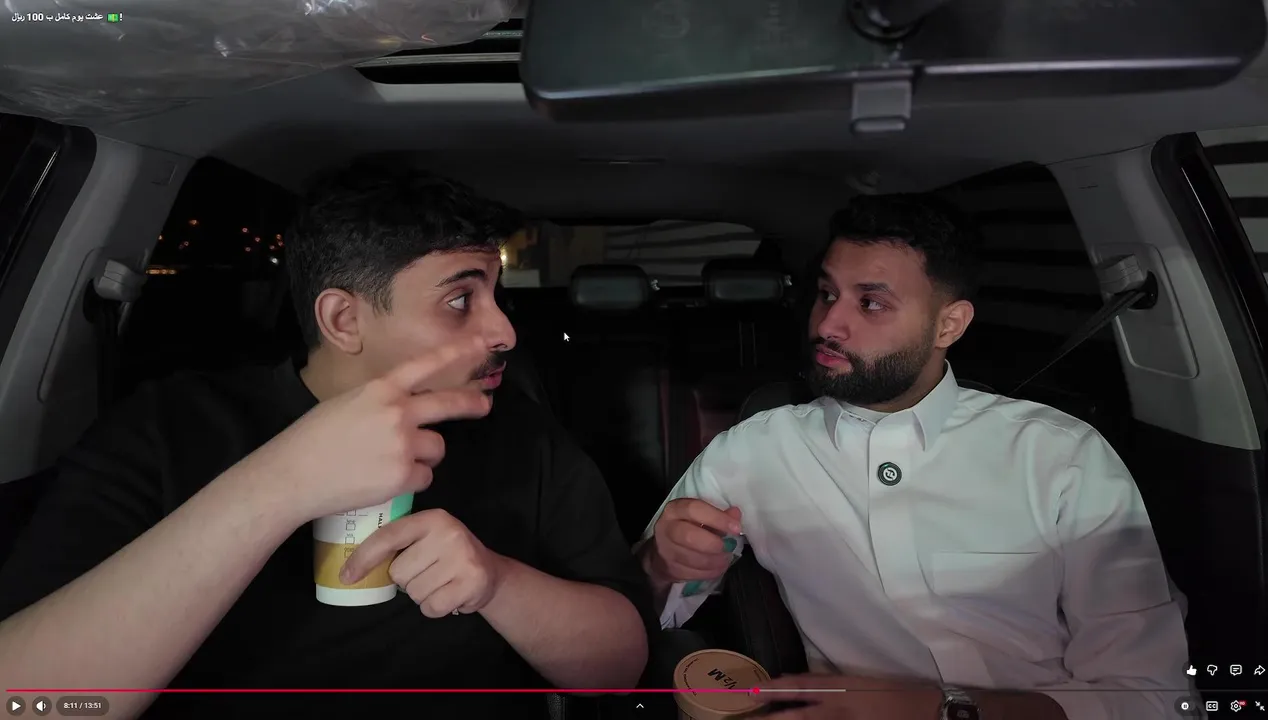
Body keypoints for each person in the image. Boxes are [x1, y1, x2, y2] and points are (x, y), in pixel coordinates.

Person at [0, 163, 653, 719]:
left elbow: (619, 670)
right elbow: (26, 702)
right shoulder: (169, 429)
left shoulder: (517, 431)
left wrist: (498, 583)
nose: (505, 330)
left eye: (495, 293)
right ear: (344, 320)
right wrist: (280, 482)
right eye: (460, 300)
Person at [636, 194, 1189, 719]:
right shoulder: (754, 449)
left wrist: (938, 710)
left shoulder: (1060, 455)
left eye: (871, 303)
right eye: (827, 293)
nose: (827, 325)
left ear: (949, 324)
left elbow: (1151, 697)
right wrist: (662, 566)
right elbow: (645, 613)